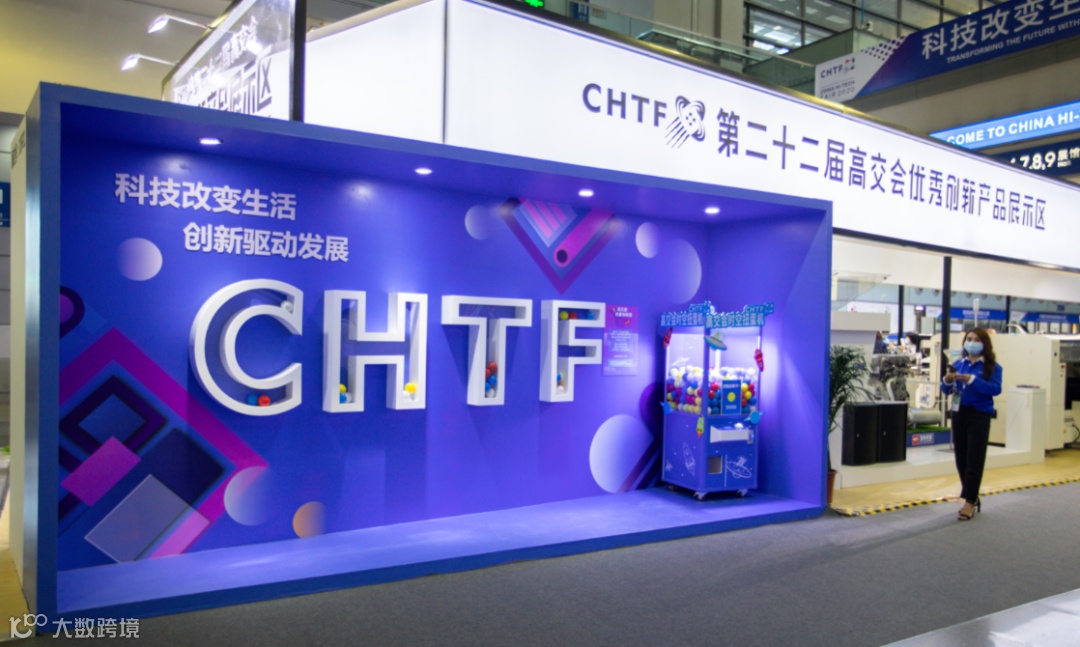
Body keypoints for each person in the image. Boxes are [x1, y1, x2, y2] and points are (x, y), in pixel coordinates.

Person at [941, 328, 1003, 521]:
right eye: (969, 339)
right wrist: (947, 380)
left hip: (979, 415)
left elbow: (995, 389)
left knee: (975, 458)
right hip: (959, 414)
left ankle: (969, 501)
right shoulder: (958, 364)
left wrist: (973, 380)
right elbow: (946, 390)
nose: (972, 342)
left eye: (976, 340)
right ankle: (972, 496)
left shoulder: (992, 368)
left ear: (984, 344)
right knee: (961, 458)